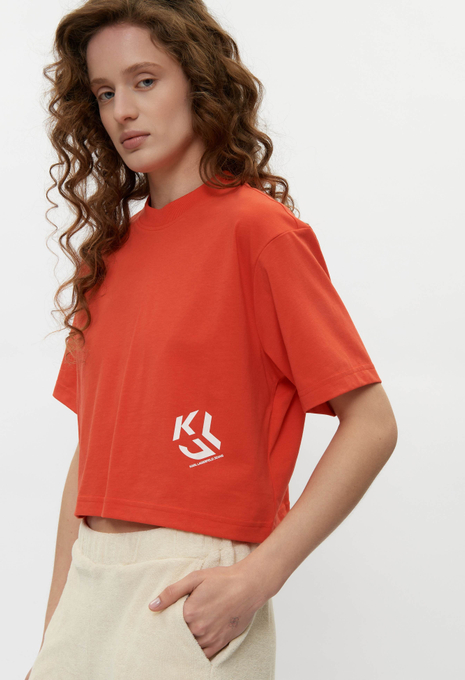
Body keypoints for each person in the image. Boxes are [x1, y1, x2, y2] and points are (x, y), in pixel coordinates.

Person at [26, 1, 398, 678]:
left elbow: (372, 424)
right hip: (91, 575)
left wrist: (257, 578)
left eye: (145, 81)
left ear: (197, 83)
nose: (122, 111)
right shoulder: (105, 258)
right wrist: (55, 631)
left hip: (189, 585)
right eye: (104, 92)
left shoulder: (260, 233)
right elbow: (90, 450)